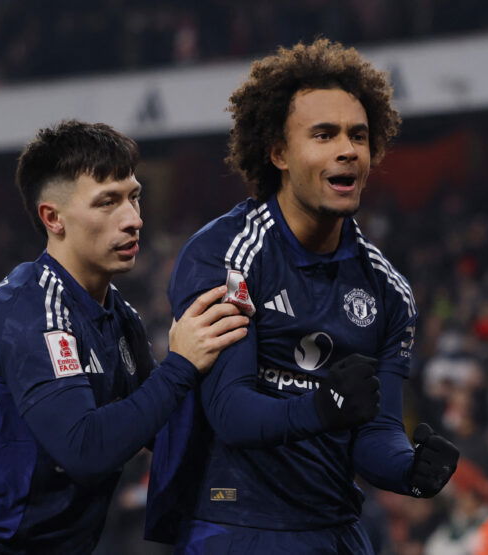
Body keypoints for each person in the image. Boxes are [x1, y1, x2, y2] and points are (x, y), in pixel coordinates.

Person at [146, 39, 459, 553]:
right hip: (237, 526)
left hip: (337, 529)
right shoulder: (227, 255)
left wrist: (410, 470)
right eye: (323, 134)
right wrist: (320, 407)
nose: (347, 149)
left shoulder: (389, 291)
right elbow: (229, 409)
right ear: (278, 153)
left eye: (358, 135)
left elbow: (374, 432)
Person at [0, 120, 249, 554]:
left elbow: (161, 428)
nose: (133, 220)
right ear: (53, 218)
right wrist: (181, 364)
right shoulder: (29, 311)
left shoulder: (118, 315)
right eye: (107, 203)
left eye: (134, 197)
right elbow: (84, 449)